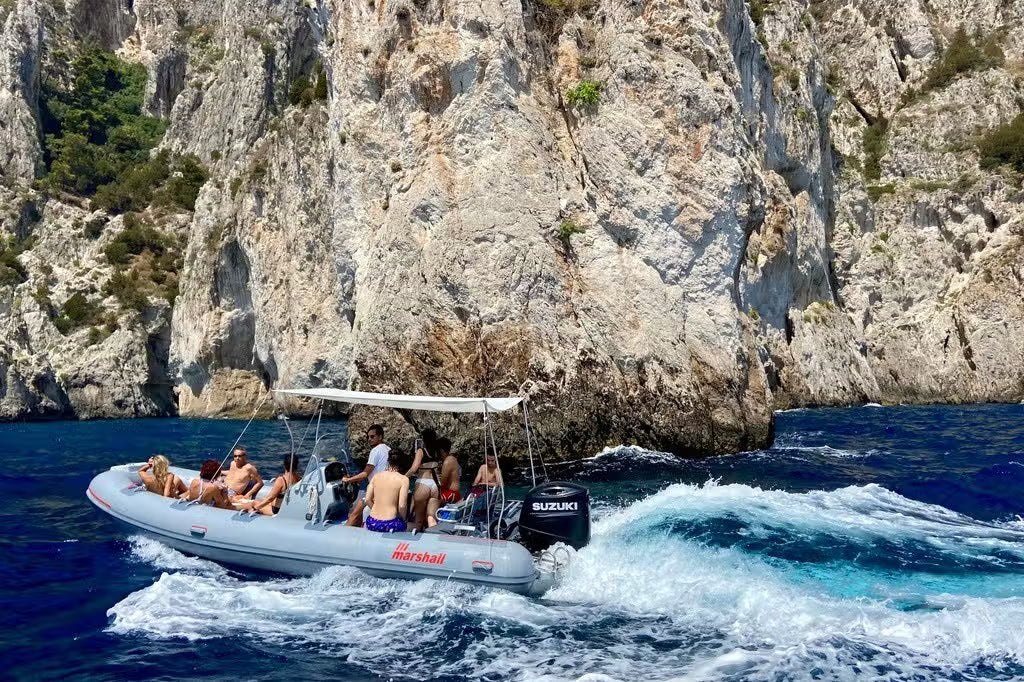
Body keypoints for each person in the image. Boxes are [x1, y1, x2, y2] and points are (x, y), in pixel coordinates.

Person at [342, 424, 390, 527]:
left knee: (354, 514)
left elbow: (365, 474)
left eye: (372, 436)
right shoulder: (388, 449)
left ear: (380, 437)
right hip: (386, 489)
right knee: (359, 513)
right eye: (368, 437)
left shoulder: (375, 450)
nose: (369, 439)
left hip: (375, 491)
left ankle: (341, 537)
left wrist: (347, 480)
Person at [364, 449, 408, 533]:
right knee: (405, 524)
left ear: (388, 461)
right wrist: (403, 519)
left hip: (372, 522)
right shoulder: (403, 479)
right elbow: (402, 506)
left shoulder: (376, 476)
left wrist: (376, 510)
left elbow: (367, 499)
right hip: (390, 523)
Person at [404, 429, 441, 531]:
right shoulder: (437, 451)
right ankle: (433, 541)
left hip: (423, 483)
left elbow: (414, 468)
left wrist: (403, 477)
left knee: (418, 521)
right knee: (431, 518)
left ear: (424, 439)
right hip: (436, 485)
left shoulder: (421, 451)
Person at [437, 438, 461, 505]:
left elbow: (442, 483)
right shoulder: (452, 459)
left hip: (451, 494)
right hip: (453, 492)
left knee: (431, 500)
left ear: (441, 450)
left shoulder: (448, 461)